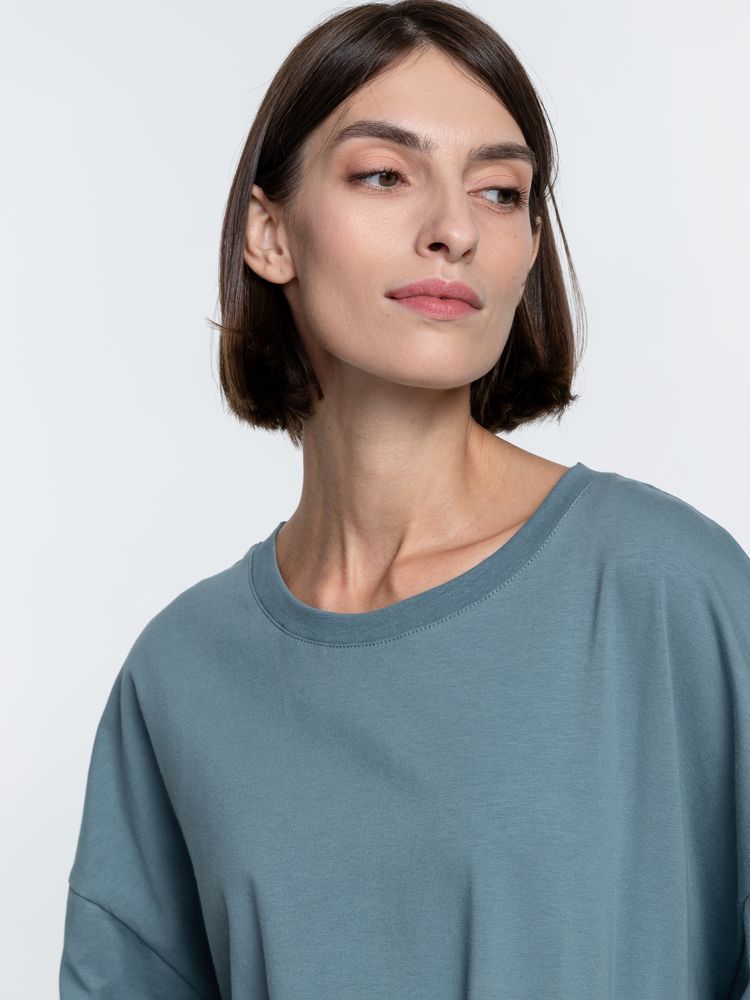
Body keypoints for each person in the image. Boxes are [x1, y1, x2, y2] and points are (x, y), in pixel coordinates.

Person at [59, 2, 750, 998]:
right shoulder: (182, 673)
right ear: (269, 233)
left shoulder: (667, 592)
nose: (454, 230)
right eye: (385, 174)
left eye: (501, 192)